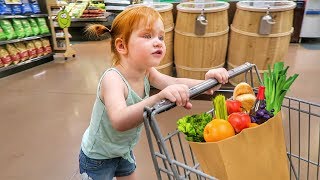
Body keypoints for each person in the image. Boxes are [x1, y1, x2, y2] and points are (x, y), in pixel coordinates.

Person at [79, 5, 229, 180]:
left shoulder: (147, 71)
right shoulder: (113, 79)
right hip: (98, 156)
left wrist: (208, 83)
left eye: (161, 37)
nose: (158, 42)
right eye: (147, 36)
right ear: (121, 45)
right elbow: (119, 121)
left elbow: (174, 82)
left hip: (123, 150)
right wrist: (158, 97)